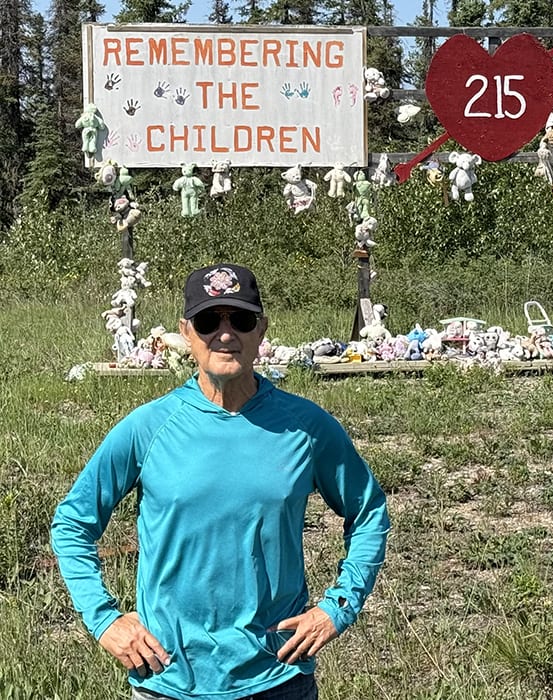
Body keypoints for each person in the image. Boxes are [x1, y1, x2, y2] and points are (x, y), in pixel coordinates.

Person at [52, 263, 390, 700]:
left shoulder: (305, 427)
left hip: (279, 678)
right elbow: (72, 523)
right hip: (169, 680)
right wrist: (104, 620)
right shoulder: (149, 427)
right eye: (209, 321)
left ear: (262, 330)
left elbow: (368, 512)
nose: (225, 334)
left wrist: (338, 608)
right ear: (186, 333)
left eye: (241, 319)